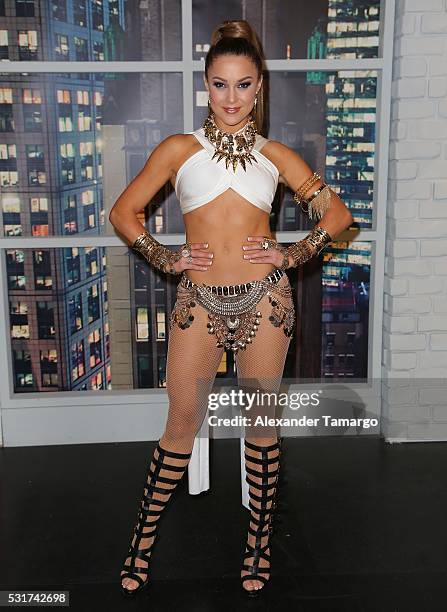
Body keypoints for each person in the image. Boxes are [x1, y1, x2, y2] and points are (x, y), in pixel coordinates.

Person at [109, 19, 353, 599]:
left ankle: (259, 546)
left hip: (265, 302)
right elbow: (124, 212)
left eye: (244, 85)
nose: (232, 98)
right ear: (207, 86)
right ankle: (140, 544)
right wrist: (164, 260)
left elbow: (339, 217)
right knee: (181, 424)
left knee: (261, 429)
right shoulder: (178, 150)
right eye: (220, 85)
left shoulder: (276, 155)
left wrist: (289, 253)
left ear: (259, 86)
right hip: (198, 302)